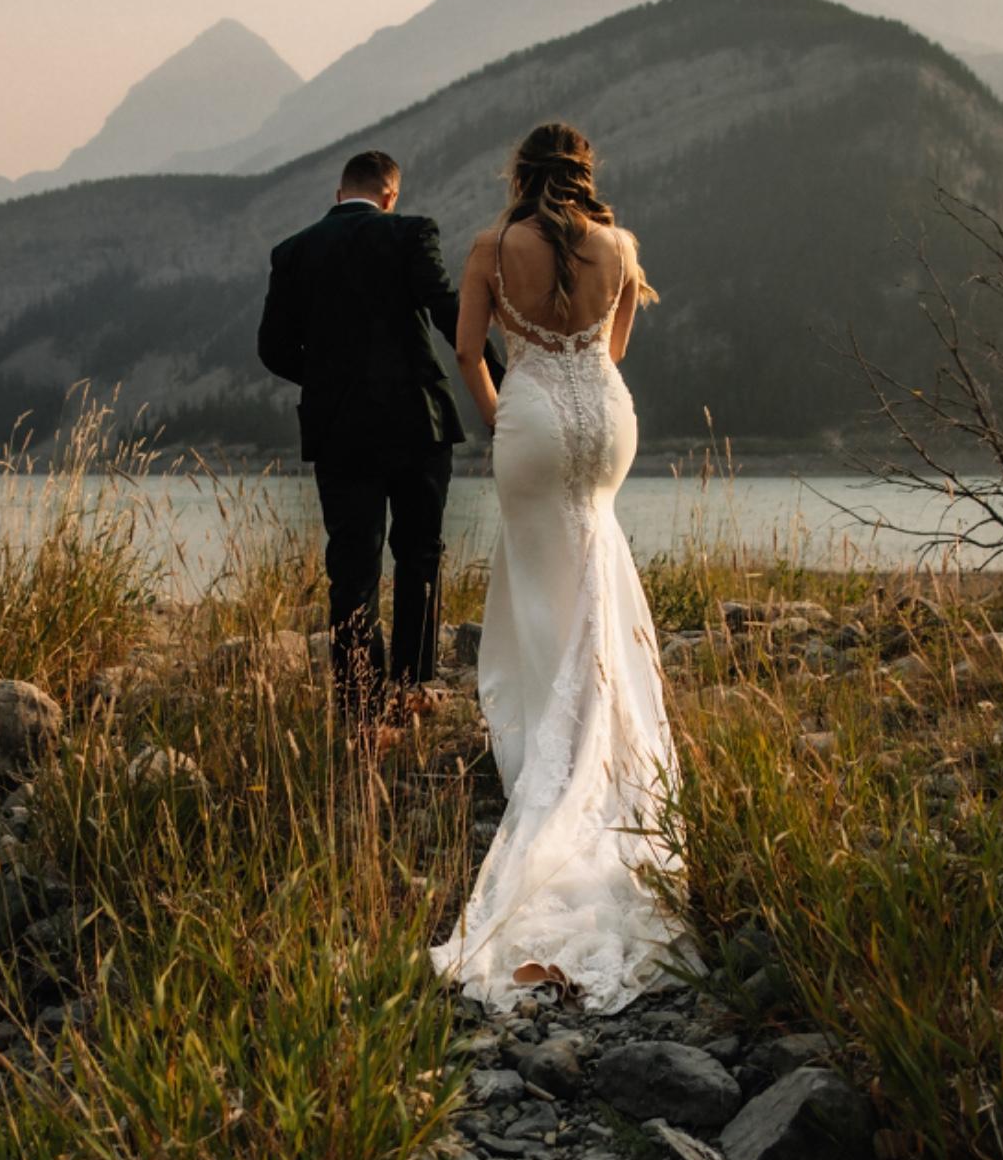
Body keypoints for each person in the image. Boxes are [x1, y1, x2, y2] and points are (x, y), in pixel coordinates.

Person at [429, 121, 693, 1012]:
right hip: (607, 422)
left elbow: (468, 352)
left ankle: (553, 748)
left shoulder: (490, 246)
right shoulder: (620, 246)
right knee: (596, 561)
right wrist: (576, 384)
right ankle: (607, 742)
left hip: (536, 416)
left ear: (521, 172)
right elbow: (611, 353)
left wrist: (510, 409)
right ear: (586, 175)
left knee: (543, 590)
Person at [255, 149, 483, 724]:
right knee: (419, 554)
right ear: (391, 196)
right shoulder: (410, 233)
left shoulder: (294, 252)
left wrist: (332, 378)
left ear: (339, 195)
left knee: (352, 568)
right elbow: (447, 311)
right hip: (418, 423)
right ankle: (412, 689)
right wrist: (504, 380)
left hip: (340, 431)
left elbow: (273, 349)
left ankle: (359, 709)